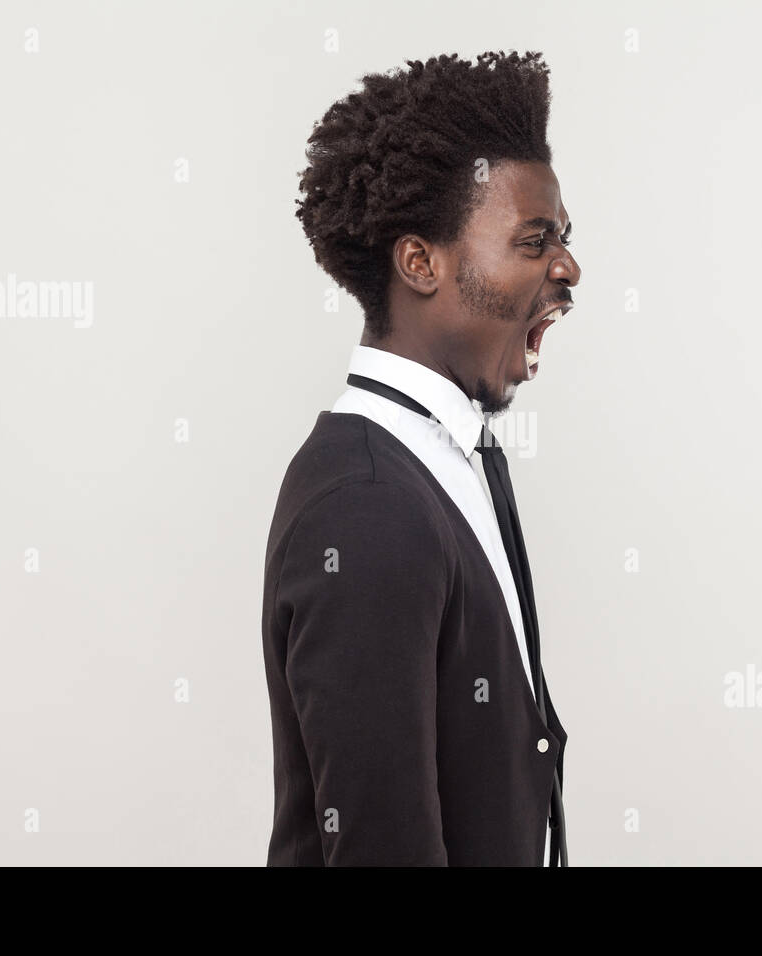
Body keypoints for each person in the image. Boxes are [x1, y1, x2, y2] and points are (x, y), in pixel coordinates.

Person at [262, 50, 581, 866]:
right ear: (420, 263)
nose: (567, 267)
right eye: (533, 239)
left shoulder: (457, 454)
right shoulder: (364, 506)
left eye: (565, 238)